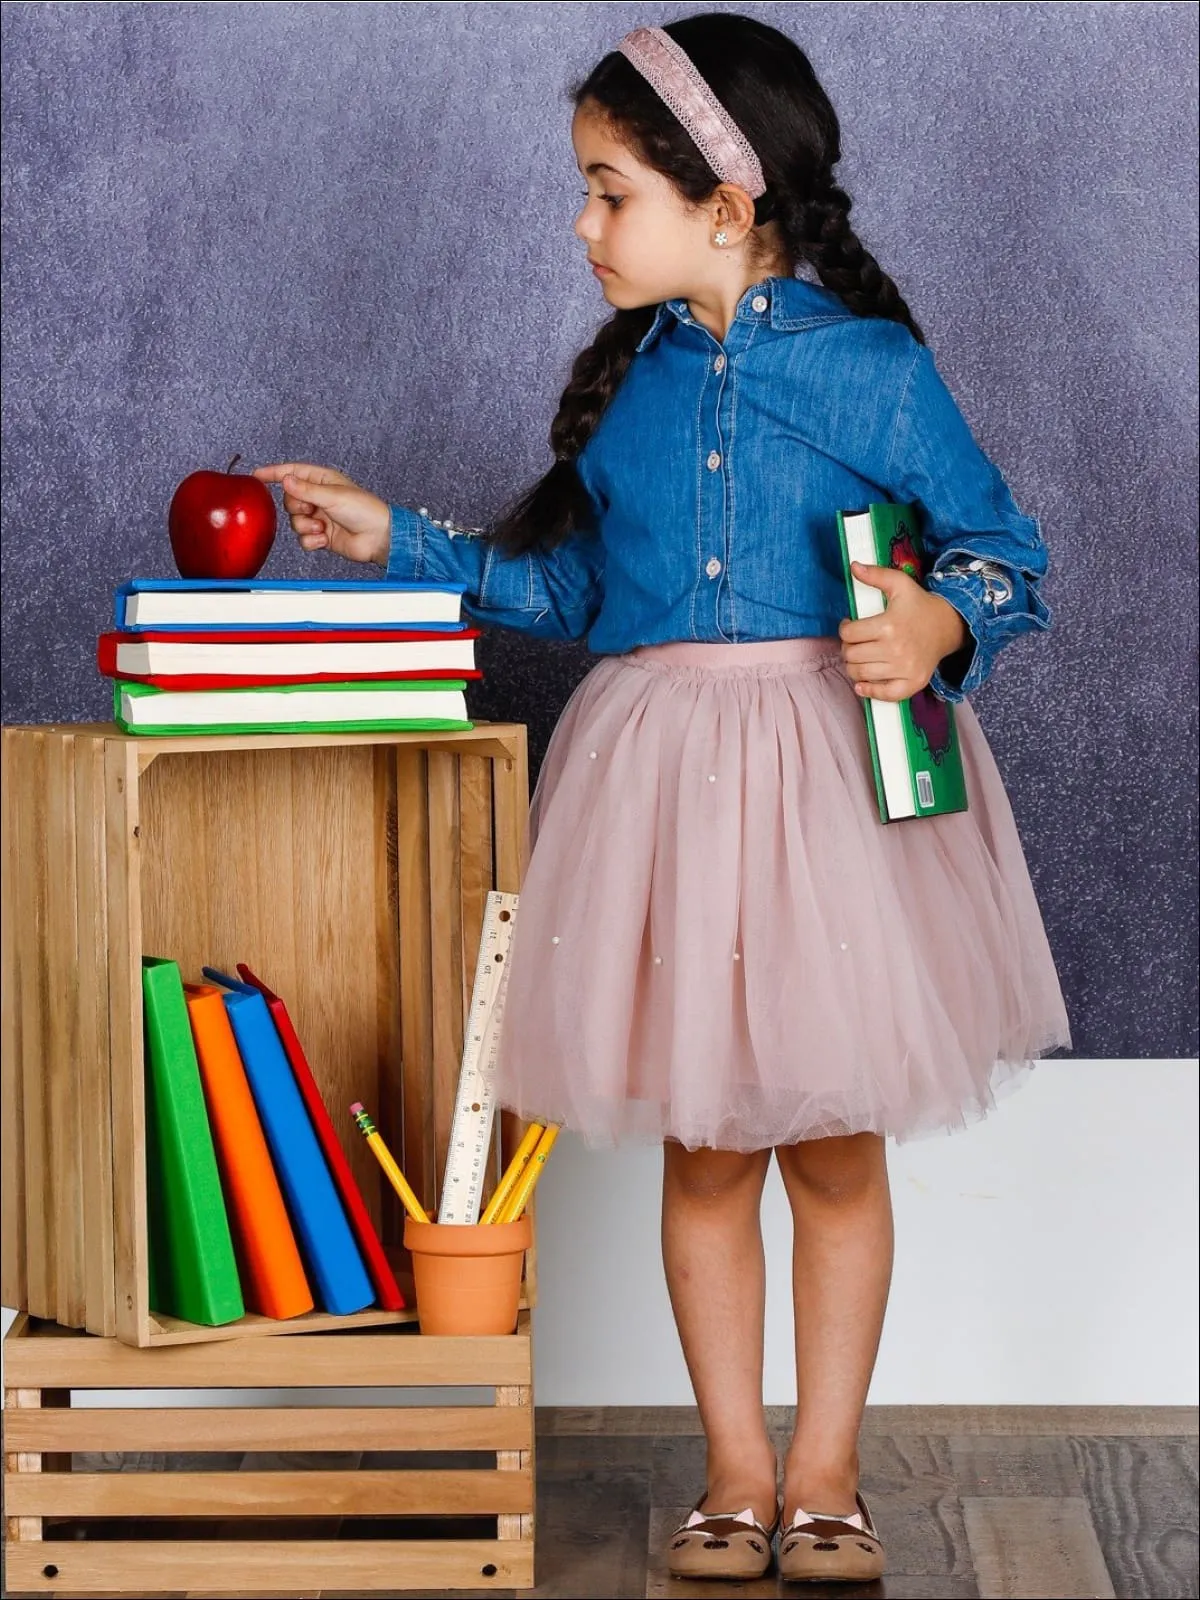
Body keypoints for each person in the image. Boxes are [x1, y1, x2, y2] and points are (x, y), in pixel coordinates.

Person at [255, 13, 1071, 1584]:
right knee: (707, 1148)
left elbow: (1002, 553)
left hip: (830, 795)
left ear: (726, 200)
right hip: (668, 803)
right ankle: (735, 1473)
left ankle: (829, 1473)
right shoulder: (631, 384)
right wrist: (397, 542)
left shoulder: (870, 370)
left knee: (834, 1149)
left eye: (606, 190)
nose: (581, 225)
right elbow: (573, 590)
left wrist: (940, 622)